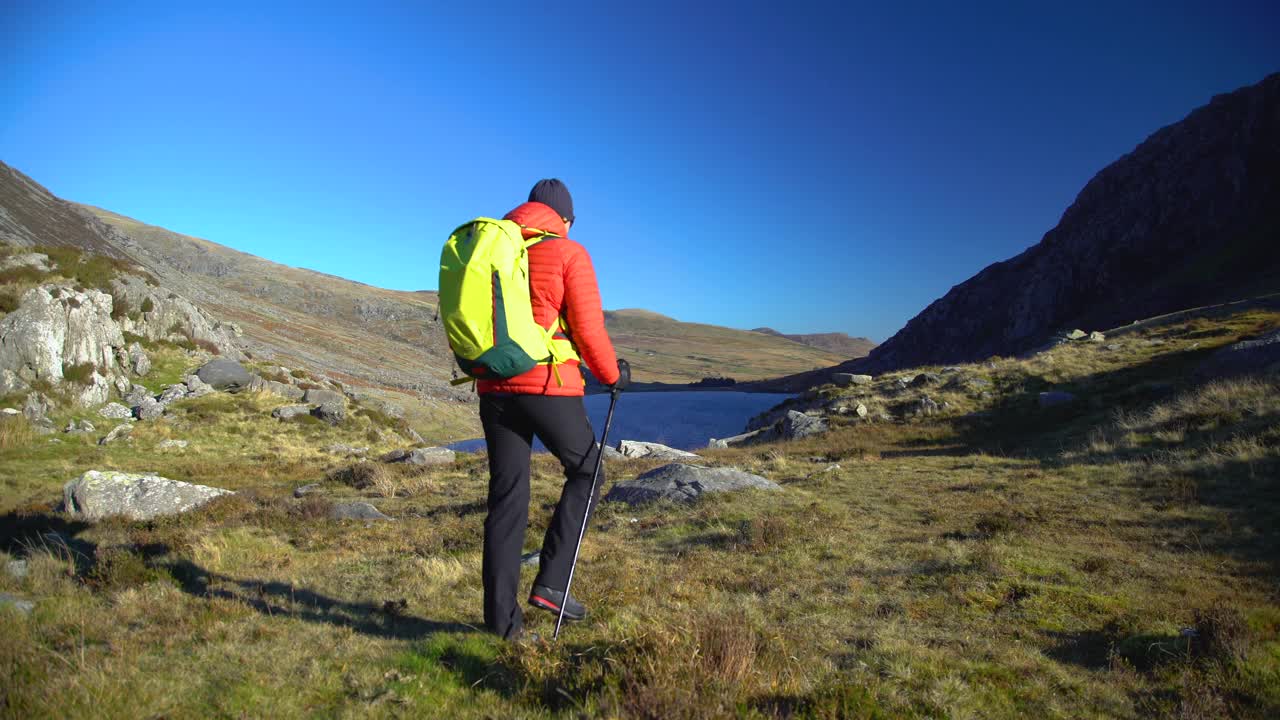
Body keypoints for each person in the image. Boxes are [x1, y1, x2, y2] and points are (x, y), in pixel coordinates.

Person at [477, 178, 629, 641]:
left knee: (507, 499)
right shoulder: (568, 252)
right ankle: (552, 584)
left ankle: (503, 625)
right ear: (563, 218)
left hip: (494, 388)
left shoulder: (493, 251)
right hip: (546, 386)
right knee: (588, 472)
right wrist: (612, 376)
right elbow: (586, 328)